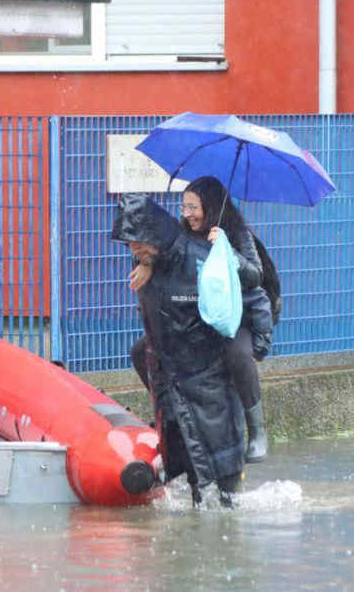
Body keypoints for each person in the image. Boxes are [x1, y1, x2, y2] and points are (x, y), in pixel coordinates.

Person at [113, 193, 249, 507]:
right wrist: (147, 263)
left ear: (155, 236)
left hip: (208, 386)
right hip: (172, 391)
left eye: (139, 243)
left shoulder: (205, 259)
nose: (134, 251)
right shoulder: (148, 264)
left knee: (226, 488)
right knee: (188, 478)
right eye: (129, 245)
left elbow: (245, 297)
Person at [128, 175, 276, 462]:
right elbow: (160, 253)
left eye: (193, 207)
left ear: (210, 206)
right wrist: (147, 264)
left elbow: (256, 276)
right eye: (184, 207)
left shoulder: (236, 233)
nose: (188, 214)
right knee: (141, 352)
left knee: (238, 355)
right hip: (194, 321)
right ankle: (169, 417)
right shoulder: (182, 235)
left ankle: (257, 431)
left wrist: (228, 252)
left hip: (232, 318)